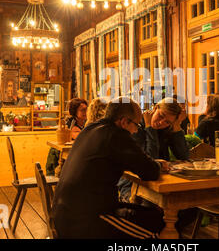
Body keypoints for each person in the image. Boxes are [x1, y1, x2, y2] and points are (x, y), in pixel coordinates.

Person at [51, 97, 167, 239]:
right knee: (157, 226)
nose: (136, 131)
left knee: (152, 214)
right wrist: (160, 164)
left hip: (66, 214)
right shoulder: (117, 136)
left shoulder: (90, 128)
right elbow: (150, 171)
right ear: (124, 121)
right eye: (137, 125)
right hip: (85, 221)